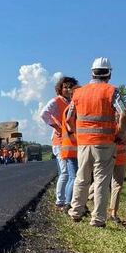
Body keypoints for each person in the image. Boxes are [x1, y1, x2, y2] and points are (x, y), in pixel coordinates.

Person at [66, 58, 126, 228]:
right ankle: (98, 219)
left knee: (82, 177)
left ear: (92, 72)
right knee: (101, 180)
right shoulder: (111, 91)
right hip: (106, 144)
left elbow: (68, 118)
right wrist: (120, 134)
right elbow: (124, 113)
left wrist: (77, 134)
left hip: (84, 143)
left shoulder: (79, 92)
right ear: (109, 73)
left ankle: (75, 211)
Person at [40, 76, 79, 210]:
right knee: (65, 173)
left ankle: (69, 199)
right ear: (60, 89)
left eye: (71, 87)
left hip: (71, 141)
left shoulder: (73, 101)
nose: (68, 89)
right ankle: (60, 201)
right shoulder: (56, 101)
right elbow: (44, 114)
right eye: (65, 87)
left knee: (71, 172)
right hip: (60, 141)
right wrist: (56, 127)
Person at [60, 100, 78, 208]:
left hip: (70, 149)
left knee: (72, 177)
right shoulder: (71, 109)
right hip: (72, 149)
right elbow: (71, 128)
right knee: (74, 178)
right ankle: (68, 203)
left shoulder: (68, 109)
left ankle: (68, 201)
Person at [108, 135, 126, 222]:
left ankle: (113, 213)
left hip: (121, 159)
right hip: (107, 157)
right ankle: (87, 200)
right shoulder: (109, 123)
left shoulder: (124, 126)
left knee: (117, 186)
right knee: (100, 182)